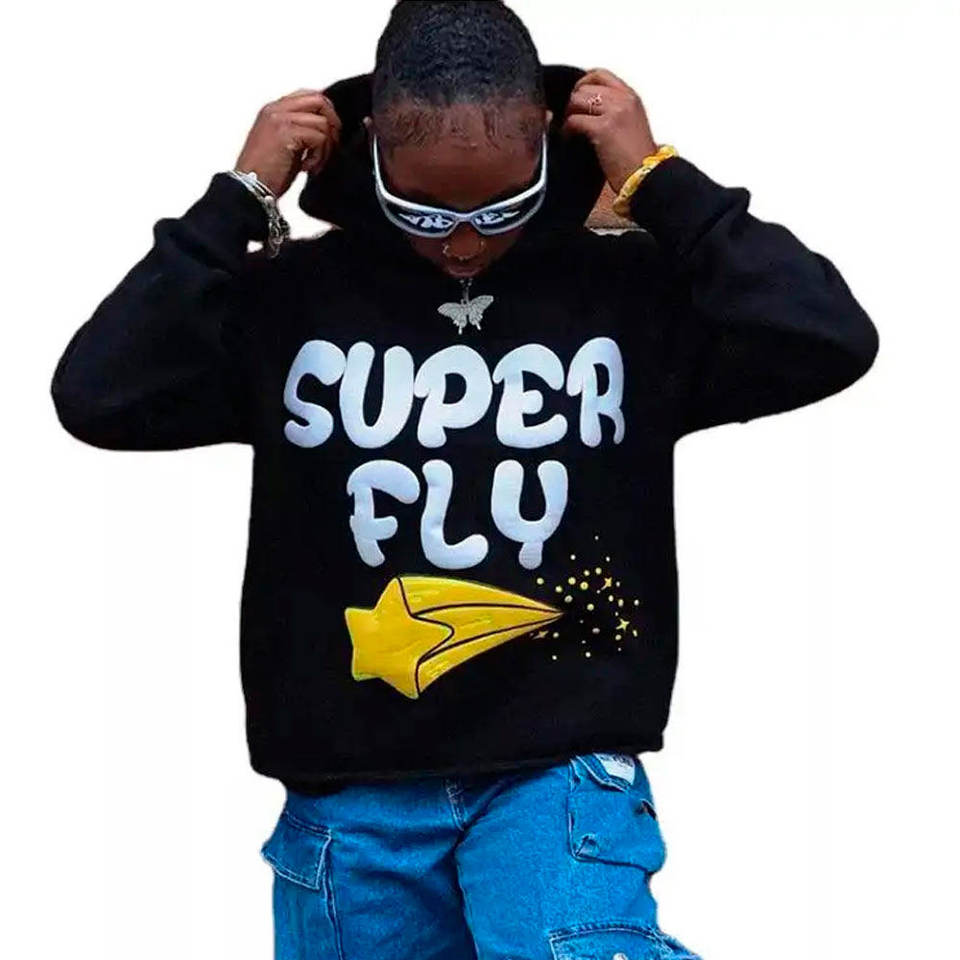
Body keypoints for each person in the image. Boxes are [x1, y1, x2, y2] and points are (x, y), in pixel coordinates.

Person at [49, 2, 878, 958]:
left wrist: (660, 181)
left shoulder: (627, 297)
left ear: (546, 144)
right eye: (425, 213)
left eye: (501, 210)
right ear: (369, 151)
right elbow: (96, 394)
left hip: (557, 768)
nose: (464, 243)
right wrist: (237, 199)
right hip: (347, 785)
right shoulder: (290, 301)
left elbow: (830, 336)